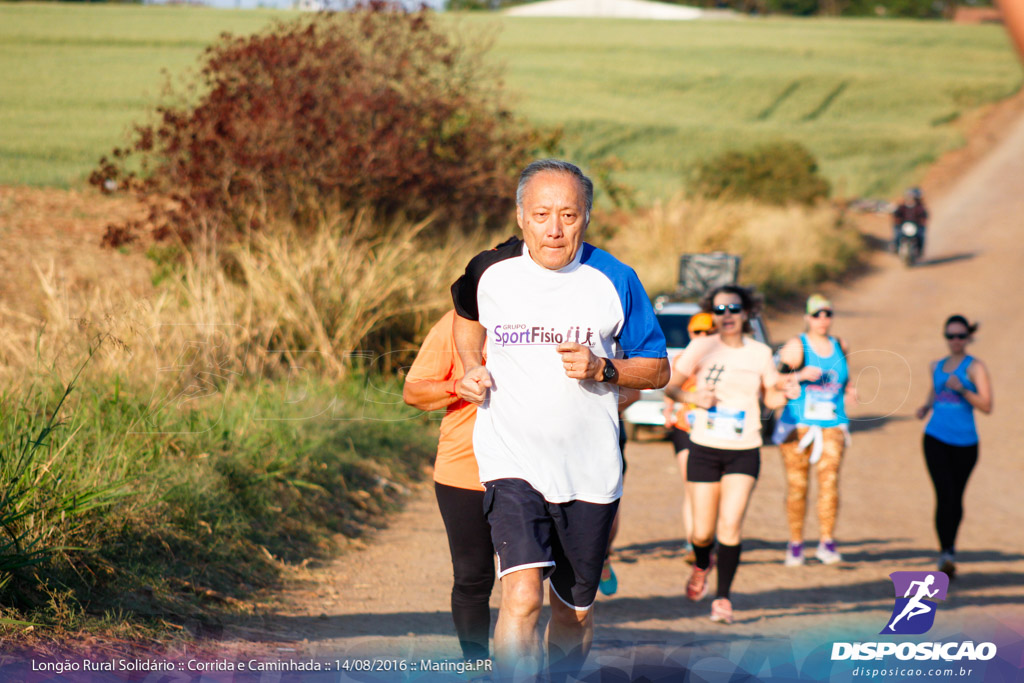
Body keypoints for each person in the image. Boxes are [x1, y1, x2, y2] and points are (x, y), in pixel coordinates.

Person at [450, 159, 670, 678]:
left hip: (589, 471)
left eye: (568, 215)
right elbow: (465, 315)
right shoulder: (489, 270)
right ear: (521, 215)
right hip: (512, 458)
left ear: (586, 217)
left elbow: (658, 368)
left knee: (572, 612)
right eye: (543, 213)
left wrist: (604, 367)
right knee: (522, 598)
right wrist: (469, 366)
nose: (554, 228)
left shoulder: (615, 279)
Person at [663, 285, 790, 625]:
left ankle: (723, 599)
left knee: (730, 528)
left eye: (734, 308)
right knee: (702, 533)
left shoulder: (761, 353)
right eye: (719, 310)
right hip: (703, 447)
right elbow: (670, 384)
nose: (727, 315)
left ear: (747, 312)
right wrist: (692, 400)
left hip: (744, 449)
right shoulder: (702, 345)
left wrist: (786, 391)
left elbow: (773, 398)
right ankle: (703, 563)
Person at [402, 309, 494, 663]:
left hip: (536, 470)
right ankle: (476, 666)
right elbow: (413, 391)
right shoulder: (455, 323)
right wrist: (458, 386)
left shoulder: (553, 314)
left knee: (531, 585)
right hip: (465, 471)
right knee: (473, 578)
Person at [774, 294, 857, 567]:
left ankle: (826, 542)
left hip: (832, 425)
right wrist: (798, 375)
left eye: (827, 314)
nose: (822, 319)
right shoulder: (797, 346)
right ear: (807, 317)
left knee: (829, 484)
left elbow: (845, 376)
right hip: (798, 425)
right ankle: (796, 544)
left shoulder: (840, 345)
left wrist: (850, 389)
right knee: (797, 486)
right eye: (817, 314)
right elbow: (773, 380)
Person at [915, 315, 992, 578]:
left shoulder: (975, 367)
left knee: (956, 496)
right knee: (943, 492)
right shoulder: (936, 365)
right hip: (935, 437)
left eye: (960, 336)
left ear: (968, 337)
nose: (955, 341)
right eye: (950, 336)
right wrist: (926, 406)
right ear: (945, 337)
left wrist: (963, 390)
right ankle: (945, 553)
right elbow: (935, 391)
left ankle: (951, 547)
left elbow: (987, 406)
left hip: (966, 442)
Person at [664, 311, 717, 565]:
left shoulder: (721, 357)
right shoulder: (683, 358)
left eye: (709, 331)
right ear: (690, 333)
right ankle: (692, 541)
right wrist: (667, 412)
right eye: (698, 332)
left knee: (711, 488)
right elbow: (670, 387)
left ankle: (706, 538)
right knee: (691, 485)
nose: (703, 336)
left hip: (715, 429)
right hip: (685, 427)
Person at [598, 386, 641, 597]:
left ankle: (604, 556)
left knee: (608, 507)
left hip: (607, 435)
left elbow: (635, 393)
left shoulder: (614, 352)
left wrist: (590, 410)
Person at [891, 187, 928, 252]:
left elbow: (924, 215)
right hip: (903, 225)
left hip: (916, 226)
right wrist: (897, 220)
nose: (911, 199)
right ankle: (895, 247)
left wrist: (922, 221)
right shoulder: (902, 206)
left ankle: (920, 249)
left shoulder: (920, 207)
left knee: (921, 236)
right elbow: (897, 214)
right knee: (897, 235)